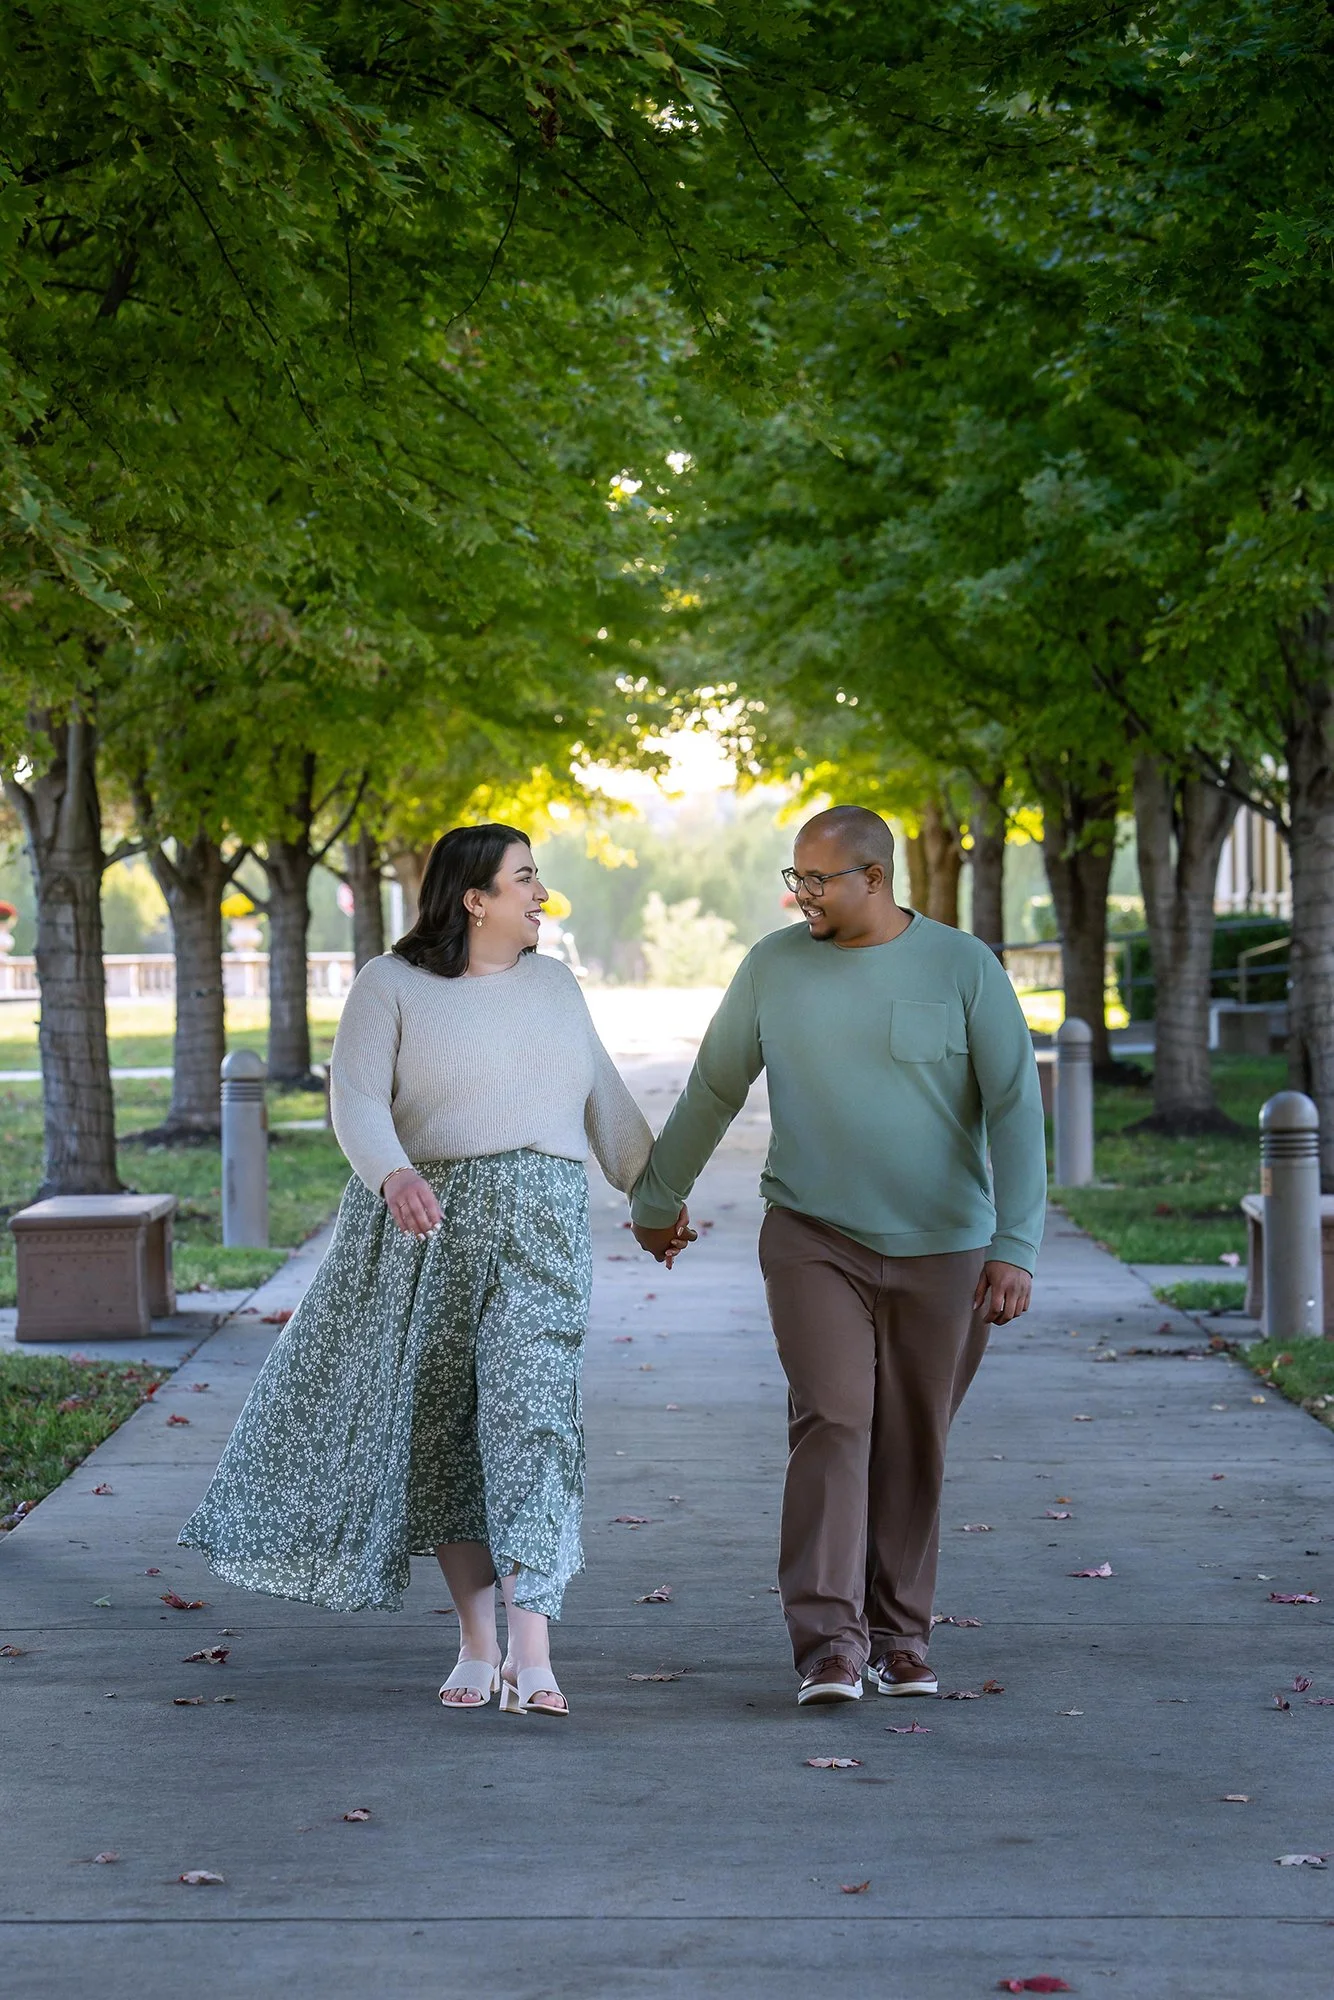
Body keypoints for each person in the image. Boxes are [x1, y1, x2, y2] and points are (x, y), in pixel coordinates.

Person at [180, 822, 688, 1718]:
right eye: (525, 879)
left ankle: (534, 1649)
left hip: (540, 1228)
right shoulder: (392, 985)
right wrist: (394, 1172)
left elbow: (605, 1102)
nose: (541, 894)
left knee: (531, 1419)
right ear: (474, 898)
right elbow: (358, 1100)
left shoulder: (556, 986)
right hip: (430, 1229)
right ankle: (476, 1641)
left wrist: (655, 1203)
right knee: (447, 1428)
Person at [631, 805, 1046, 1707]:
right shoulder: (772, 967)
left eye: (818, 881)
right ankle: (828, 1643)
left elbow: (1014, 1106)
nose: (801, 895)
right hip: (814, 1235)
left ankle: (900, 1638)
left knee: (914, 1440)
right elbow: (714, 1085)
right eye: (796, 878)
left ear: (875, 879)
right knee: (834, 1417)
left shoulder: (963, 966)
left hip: (947, 1249)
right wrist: (657, 1201)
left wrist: (1015, 1244)